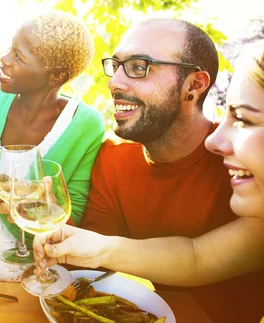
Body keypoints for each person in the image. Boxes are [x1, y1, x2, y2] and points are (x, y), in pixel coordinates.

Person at [30, 20, 264, 322]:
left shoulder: (246, 171)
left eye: (140, 67)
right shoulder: (112, 159)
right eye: (115, 66)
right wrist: (52, 217)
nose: (115, 82)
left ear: (193, 85)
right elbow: (94, 261)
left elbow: (196, 257)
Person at [0, 11, 105, 281]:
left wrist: (22, 199)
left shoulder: (86, 124)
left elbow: (74, 212)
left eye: (18, 57)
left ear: (56, 77)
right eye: (9, 50)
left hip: (41, 259)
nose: (3, 60)